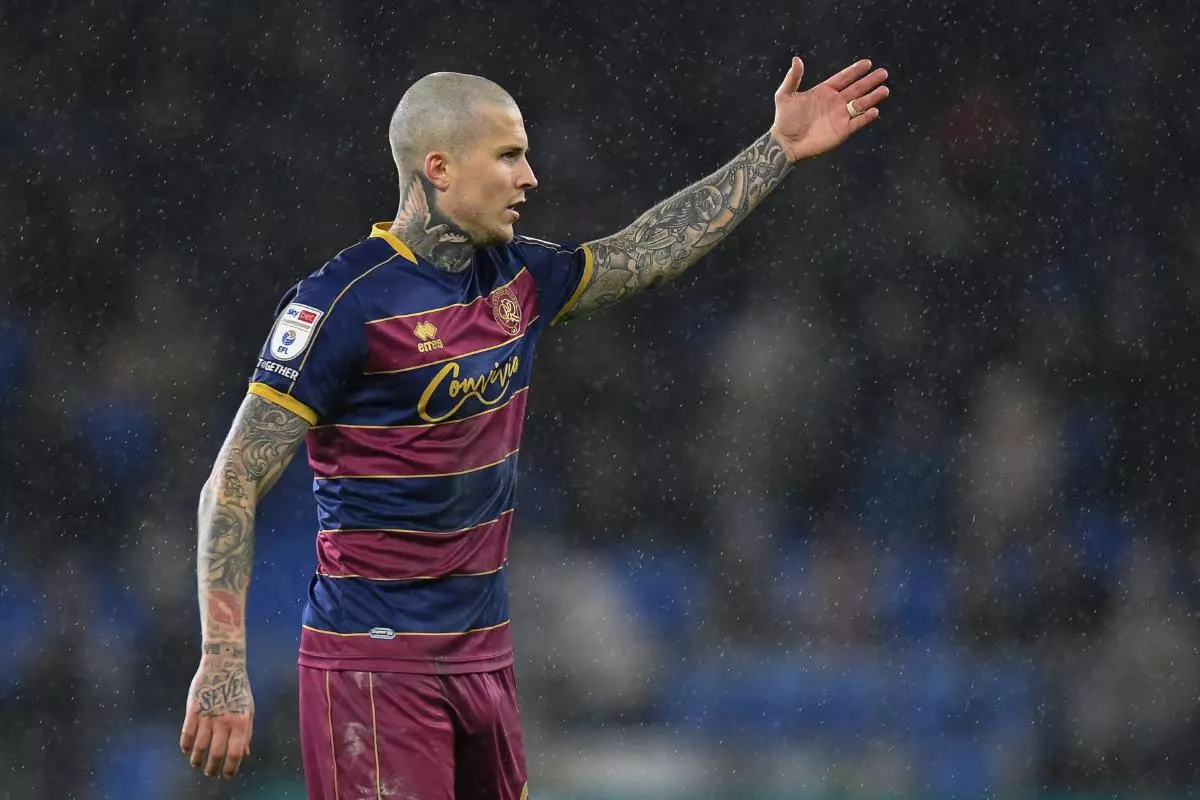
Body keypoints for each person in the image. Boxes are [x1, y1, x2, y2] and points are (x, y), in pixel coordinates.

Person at [179, 56, 890, 797]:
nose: (531, 178)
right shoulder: (342, 304)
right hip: (376, 664)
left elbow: (647, 252)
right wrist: (223, 661)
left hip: (485, 659)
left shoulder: (518, 277)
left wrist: (775, 149)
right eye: (510, 155)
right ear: (440, 168)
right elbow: (234, 476)